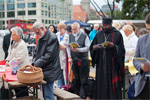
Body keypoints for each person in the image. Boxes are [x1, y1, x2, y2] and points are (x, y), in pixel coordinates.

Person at [90, 17, 125, 99]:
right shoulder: (99, 34)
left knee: (111, 86)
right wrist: (94, 48)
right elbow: (92, 47)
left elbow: (122, 50)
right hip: (101, 65)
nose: (104, 27)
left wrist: (114, 46)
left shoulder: (117, 34)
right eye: (103, 25)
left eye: (106, 25)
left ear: (110, 24)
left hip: (112, 65)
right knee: (101, 85)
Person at [32, 22, 62, 100]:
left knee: (48, 94)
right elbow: (36, 52)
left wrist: (36, 64)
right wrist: (34, 62)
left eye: (37, 32)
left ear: (42, 28)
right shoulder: (41, 37)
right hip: (44, 68)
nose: (37, 34)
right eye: (35, 33)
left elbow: (49, 56)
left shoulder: (52, 37)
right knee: (46, 94)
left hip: (50, 69)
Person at [67, 22, 91, 100]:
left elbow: (88, 48)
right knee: (76, 78)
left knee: (84, 79)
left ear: (79, 28)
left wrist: (78, 50)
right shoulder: (70, 35)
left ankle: (88, 96)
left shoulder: (84, 36)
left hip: (83, 60)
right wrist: (70, 57)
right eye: (72, 29)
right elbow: (68, 47)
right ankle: (76, 94)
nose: (73, 31)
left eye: (75, 29)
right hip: (74, 60)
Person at [5, 26, 30, 98]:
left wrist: (9, 64)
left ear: (18, 36)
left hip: (21, 71)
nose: (11, 36)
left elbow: (19, 59)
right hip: (15, 70)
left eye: (13, 35)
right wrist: (7, 60)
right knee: (17, 90)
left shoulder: (21, 44)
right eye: (11, 34)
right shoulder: (13, 42)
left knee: (22, 91)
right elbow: (9, 53)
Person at [133, 13, 150, 99]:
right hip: (143, 84)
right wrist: (142, 66)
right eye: (148, 30)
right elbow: (135, 60)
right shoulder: (141, 40)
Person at [122, 24, 138, 90]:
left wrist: (126, 50)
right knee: (126, 73)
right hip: (127, 58)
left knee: (132, 74)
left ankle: (134, 87)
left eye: (126, 32)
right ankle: (126, 86)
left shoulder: (134, 38)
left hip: (132, 58)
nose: (125, 34)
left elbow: (135, 49)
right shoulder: (127, 37)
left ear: (130, 31)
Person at [56, 23, 69, 88]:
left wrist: (64, 47)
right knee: (59, 71)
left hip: (65, 55)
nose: (60, 30)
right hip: (58, 55)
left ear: (64, 28)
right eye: (59, 29)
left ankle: (67, 85)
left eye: (61, 28)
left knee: (66, 72)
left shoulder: (67, 36)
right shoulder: (57, 35)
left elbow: (69, 46)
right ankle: (61, 85)